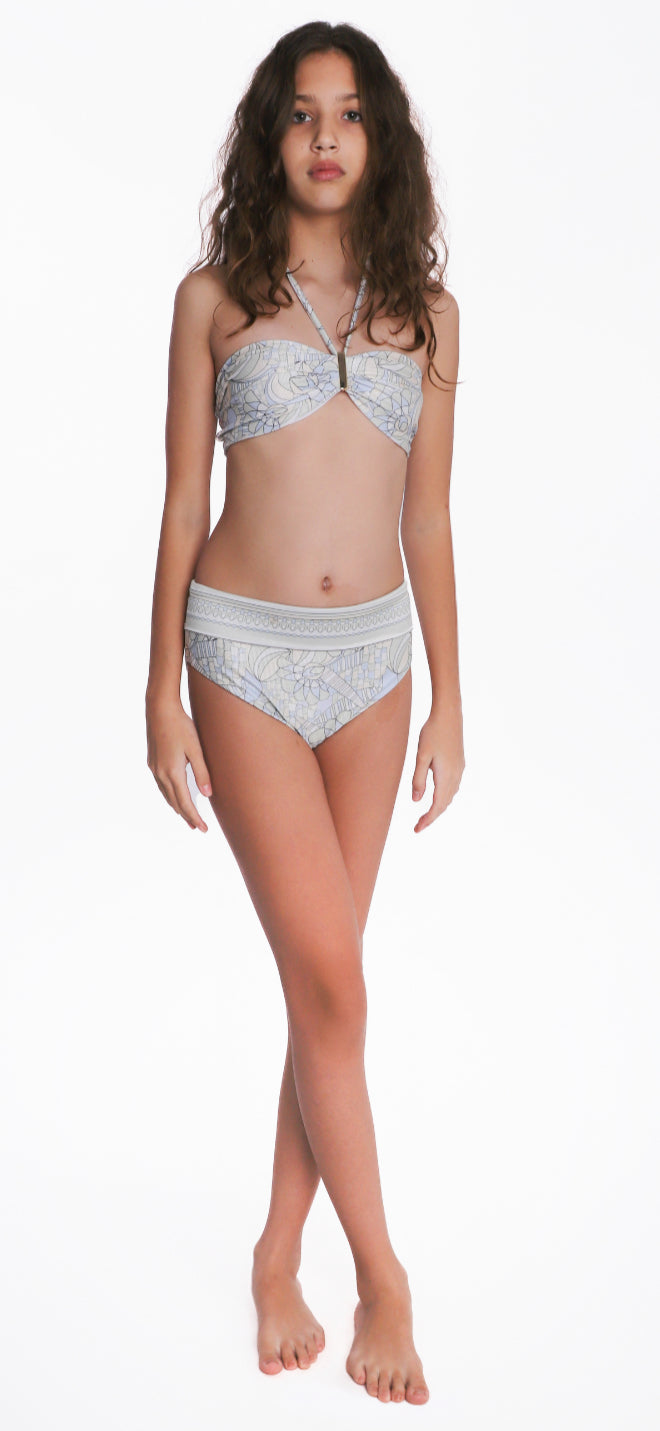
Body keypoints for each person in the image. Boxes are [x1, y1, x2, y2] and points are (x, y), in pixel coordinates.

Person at [145, 20, 464, 1408]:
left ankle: (277, 1250)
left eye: (351, 114)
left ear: (379, 141)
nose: (326, 137)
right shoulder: (213, 297)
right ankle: (383, 1273)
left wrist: (452, 697)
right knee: (335, 985)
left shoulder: (427, 315)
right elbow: (181, 501)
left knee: (321, 990)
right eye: (301, 112)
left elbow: (429, 518)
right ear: (269, 137)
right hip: (244, 660)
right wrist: (158, 692)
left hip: (375, 672)